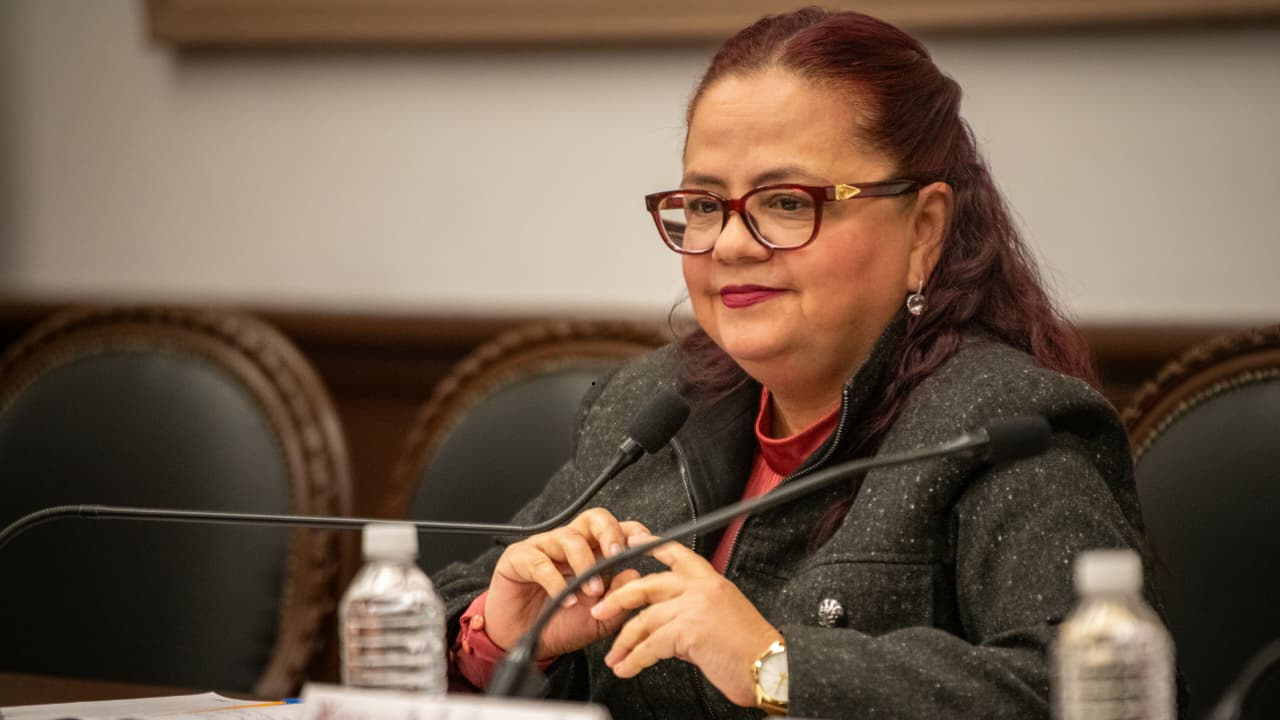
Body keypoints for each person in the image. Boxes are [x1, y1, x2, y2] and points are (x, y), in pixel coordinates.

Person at [434, 7, 1160, 719]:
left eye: (786, 202)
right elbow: (458, 604)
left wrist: (776, 667)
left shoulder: (1003, 426)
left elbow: (1093, 690)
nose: (730, 245)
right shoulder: (653, 406)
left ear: (923, 231)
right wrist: (503, 637)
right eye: (705, 204)